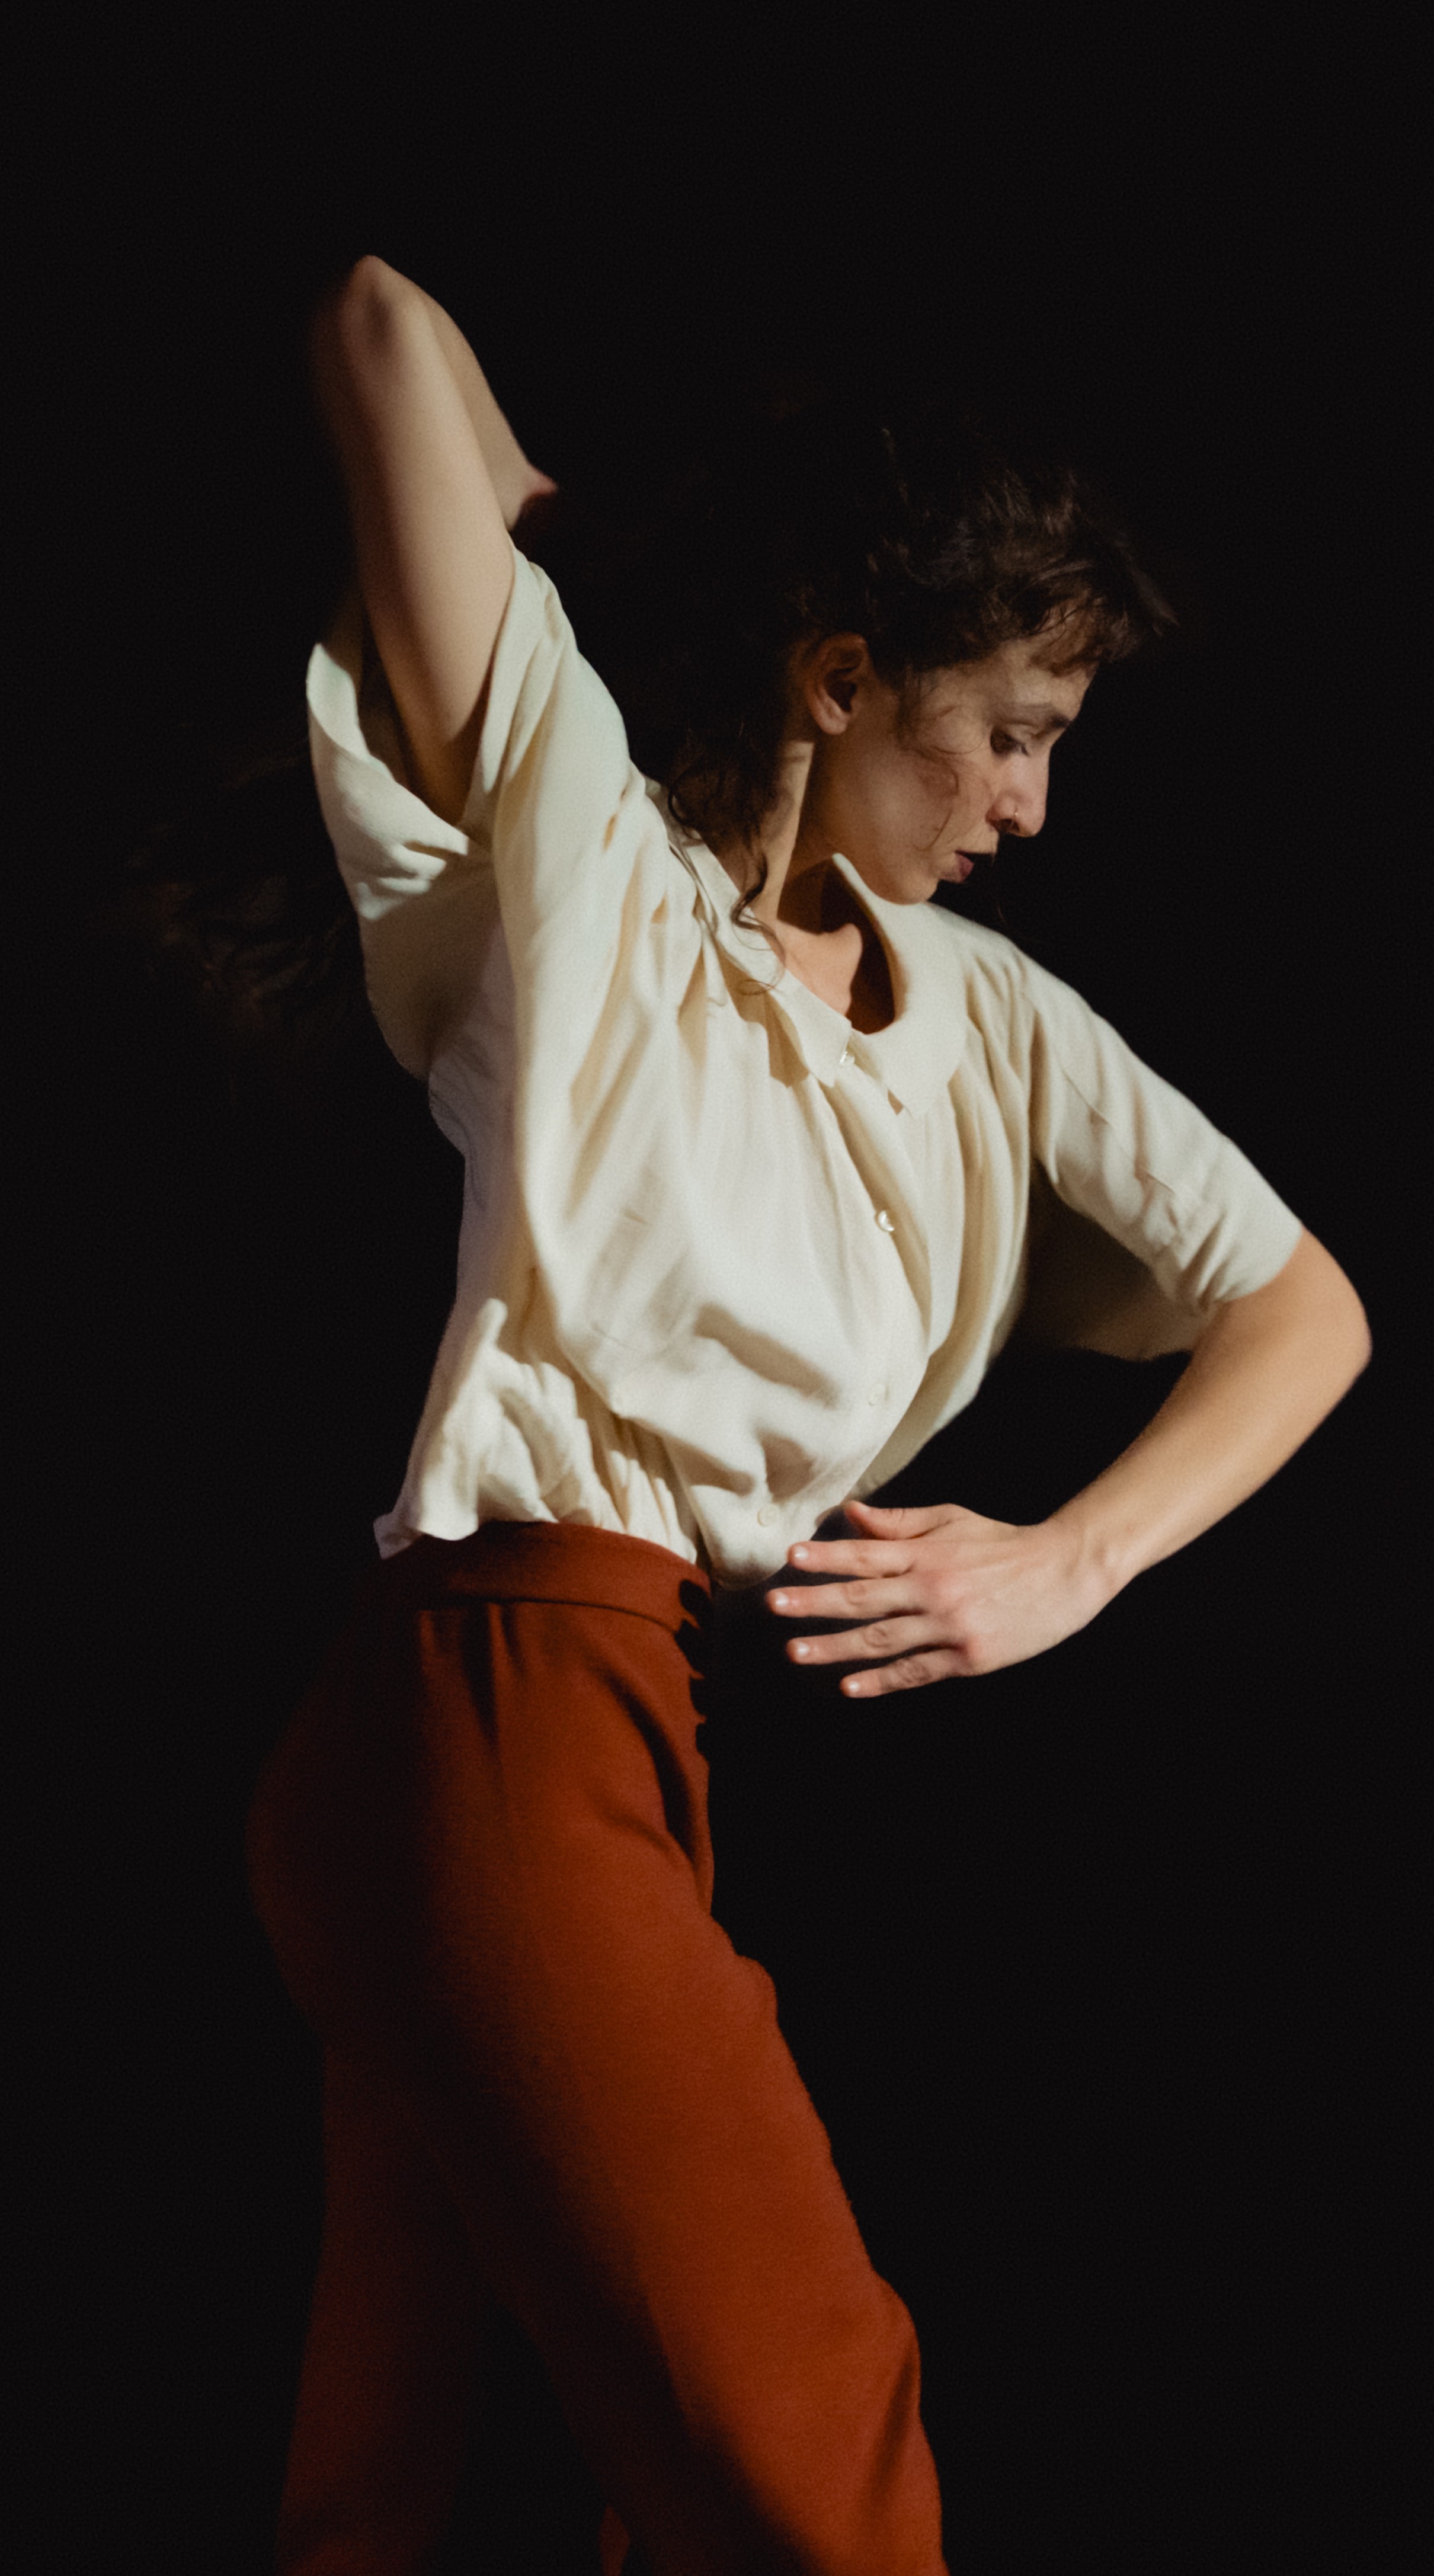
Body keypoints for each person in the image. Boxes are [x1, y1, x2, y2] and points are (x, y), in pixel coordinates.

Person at [245, 255, 1371, 2576]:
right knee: (808, 2458)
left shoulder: (981, 1011)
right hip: (490, 1707)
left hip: (603, 1740)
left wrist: (1064, 1560)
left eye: (1058, 742)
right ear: (842, 675)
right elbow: (373, 324)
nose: (1030, 805)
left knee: (410, 2501)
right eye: (1007, 729)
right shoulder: (584, 868)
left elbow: (1302, 1307)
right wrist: (587, 530)